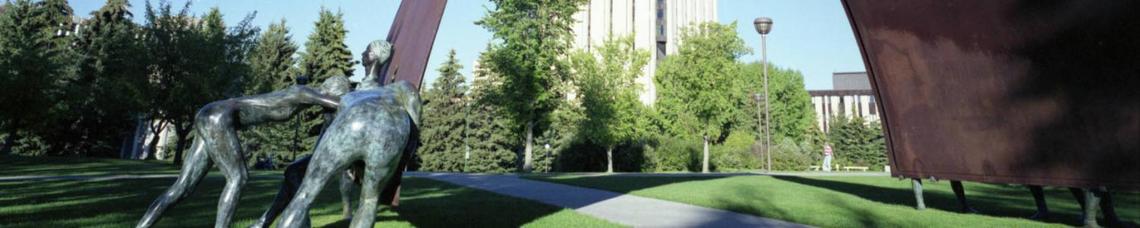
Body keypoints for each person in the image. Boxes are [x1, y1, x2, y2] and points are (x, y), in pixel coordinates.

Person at [136, 75, 351, 228]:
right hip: (219, 117)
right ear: (330, 89)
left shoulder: (301, 92)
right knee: (238, 178)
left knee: (182, 188)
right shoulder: (306, 92)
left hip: (211, 113)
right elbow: (341, 103)